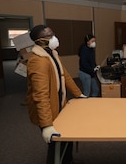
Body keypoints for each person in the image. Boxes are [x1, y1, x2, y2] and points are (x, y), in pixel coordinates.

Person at [27, 25, 86, 164]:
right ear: (40, 41)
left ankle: (68, 160)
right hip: (48, 110)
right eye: (49, 35)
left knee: (67, 137)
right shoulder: (38, 61)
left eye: (53, 33)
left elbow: (64, 75)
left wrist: (79, 94)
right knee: (55, 144)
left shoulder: (52, 53)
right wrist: (47, 125)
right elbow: (40, 96)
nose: (54, 37)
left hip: (60, 104)